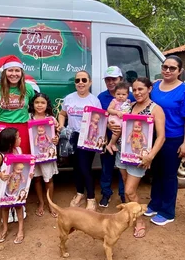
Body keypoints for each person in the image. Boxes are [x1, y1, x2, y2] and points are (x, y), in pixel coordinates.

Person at [108, 77, 166, 238]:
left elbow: (161, 137)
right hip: (122, 152)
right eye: (135, 90)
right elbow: (118, 124)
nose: (137, 92)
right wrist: (110, 126)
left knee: (130, 190)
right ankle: (129, 215)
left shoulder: (155, 109)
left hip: (139, 157)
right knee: (126, 185)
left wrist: (151, 156)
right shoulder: (129, 105)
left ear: (149, 89)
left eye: (141, 89)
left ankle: (139, 221)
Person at [145, 56, 185, 226]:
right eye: (165, 67)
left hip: (173, 137)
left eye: (172, 68)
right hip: (154, 136)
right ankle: (155, 204)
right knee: (156, 172)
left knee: (168, 175)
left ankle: (167, 211)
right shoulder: (155, 86)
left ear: (180, 71)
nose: (167, 70)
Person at [58, 71, 102, 211]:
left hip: (88, 137)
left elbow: (100, 120)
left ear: (90, 82)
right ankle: (79, 194)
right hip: (72, 136)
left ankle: (91, 198)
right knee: (76, 167)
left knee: (85, 167)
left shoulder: (94, 100)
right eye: (78, 80)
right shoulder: (69, 98)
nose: (81, 83)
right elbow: (62, 113)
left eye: (84, 80)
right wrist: (61, 125)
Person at [97, 66, 131, 207]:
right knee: (106, 167)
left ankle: (124, 195)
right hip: (107, 137)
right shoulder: (101, 97)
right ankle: (106, 194)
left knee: (124, 169)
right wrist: (106, 131)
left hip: (126, 140)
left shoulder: (131, 96)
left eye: (114, 79)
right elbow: (98, 118)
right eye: (108, 79)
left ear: (121, 79)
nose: (111, 82)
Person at [0, 56, 35, 154]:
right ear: (4, 72)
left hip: (22, 128)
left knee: (22, 158)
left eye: (17, 71)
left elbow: (34, 107)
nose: (14, 74)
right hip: (3, 127)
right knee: (3, 158)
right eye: (10, 70)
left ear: (21, 73)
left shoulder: (28, 88)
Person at [0, 128, 26, 244]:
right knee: (5, 207)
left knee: (18, 206)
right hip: (5, 187)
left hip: (17, 185)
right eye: (18, 137)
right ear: (10, 141)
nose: (20, 138)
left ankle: (20, 229)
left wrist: (28, 174)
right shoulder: (1, 156)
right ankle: (5, 228)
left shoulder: (19, 150)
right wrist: (0, 175)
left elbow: (23, 166)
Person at [29, 93, 59, 218]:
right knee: (37, 178)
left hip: (47, 154)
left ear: (47, 105)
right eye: (37, 102)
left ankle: (50, 203)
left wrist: (56, 139)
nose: (39, 105)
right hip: (33, 154)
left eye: (42, 102)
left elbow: (55, 135)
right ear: (32, 104)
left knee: (49, 179)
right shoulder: (28, 118)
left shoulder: (51, 119)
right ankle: (41, 202)